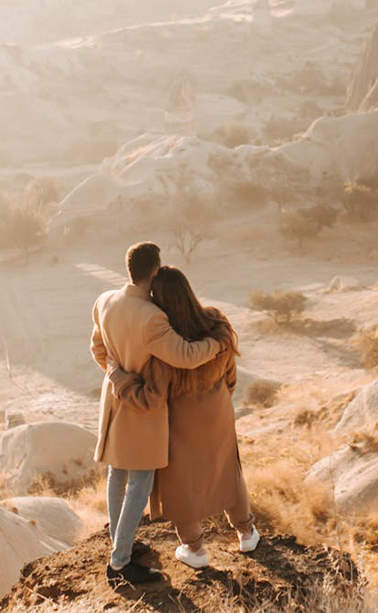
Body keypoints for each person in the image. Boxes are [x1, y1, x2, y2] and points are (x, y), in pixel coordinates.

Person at [90, 242, 222, 585]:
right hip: (141, 409)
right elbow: (186, 356)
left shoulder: (104, 301)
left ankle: (122, 544)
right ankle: (120, 563)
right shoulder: (152, 317)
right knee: (140, 482)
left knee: (117, 475)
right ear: (154, 271)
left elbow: (98, 349)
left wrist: (116, 375)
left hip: (114, 402)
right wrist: (218, 344)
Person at [113, 266, 259, 569]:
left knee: (181, 483)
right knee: (228, 470)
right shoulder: (217, 323)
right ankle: (247, 533)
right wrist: (219, 402)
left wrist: (119, 379)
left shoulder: (165, 350)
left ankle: (195, 550)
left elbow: (149, 400)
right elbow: (230, 376)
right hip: (218, 412)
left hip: (180, 426)